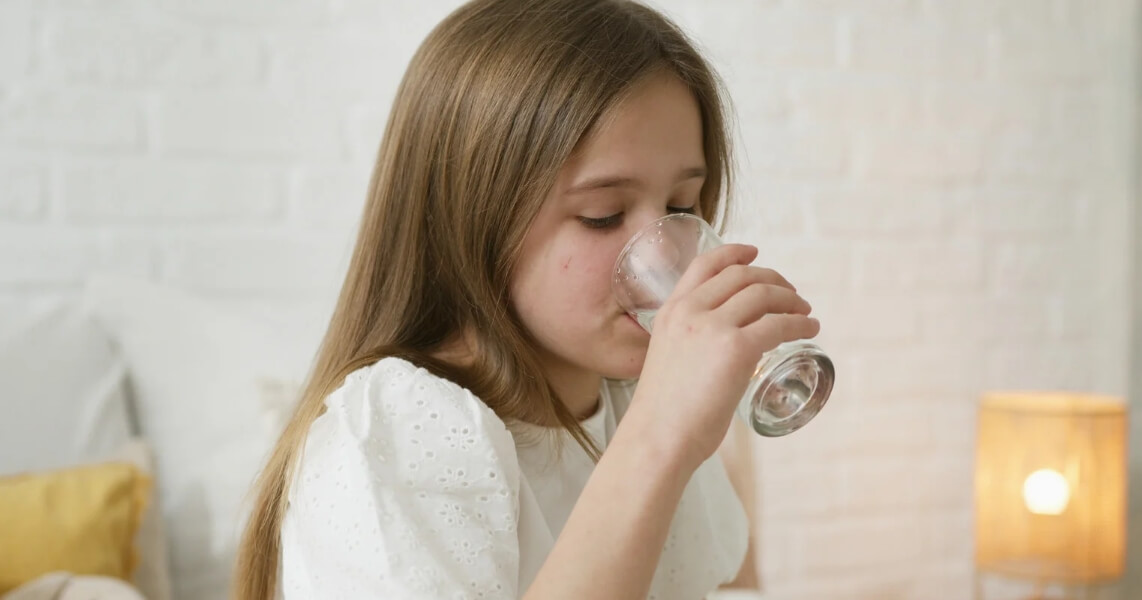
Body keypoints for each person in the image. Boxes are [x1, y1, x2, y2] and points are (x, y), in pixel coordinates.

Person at [234, 0, 820, 598]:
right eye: (603, 215)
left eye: (681, 206)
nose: (665, 253)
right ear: (474, 219)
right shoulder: (397, 428)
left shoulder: (633, 398)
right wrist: (661, 438)